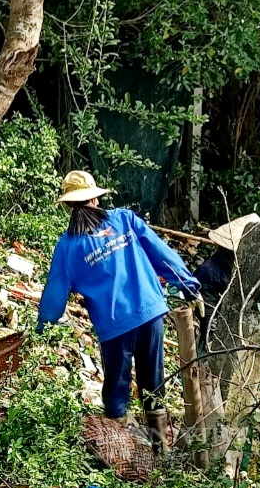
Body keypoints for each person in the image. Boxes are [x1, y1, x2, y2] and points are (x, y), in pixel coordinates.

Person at [36, 170, 202, 452]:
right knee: (153, 380)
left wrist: (42, 328)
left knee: (117, 387)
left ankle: (121, 453)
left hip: (114, 326)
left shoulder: (67, 247)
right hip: (150, 313)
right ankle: (160, 450)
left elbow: (55, 294)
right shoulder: (124, 219)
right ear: (96, 199)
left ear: (68, 205)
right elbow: (161, 253)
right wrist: (188, 285)